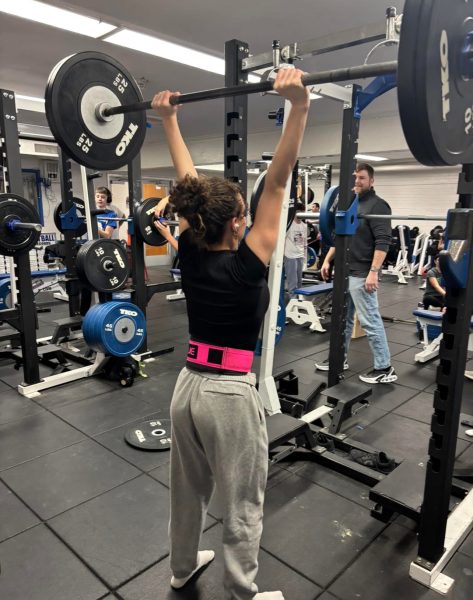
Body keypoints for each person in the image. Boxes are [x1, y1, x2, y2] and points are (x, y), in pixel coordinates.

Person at [151, 68, 309, 600]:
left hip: (187, 389)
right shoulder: (248, 264)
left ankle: (180, 568)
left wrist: (169, 120)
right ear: (239, 223)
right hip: (227, 394)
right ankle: (243, 591)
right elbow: (281, 180)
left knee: (187, 490)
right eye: (243, 211)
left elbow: (188, 182)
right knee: (243, 500)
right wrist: (300, 106)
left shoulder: (192, 252)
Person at [316, 163, 397, 384]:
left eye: (362, 178)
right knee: (342, 320)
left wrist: (373, 272)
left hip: (362, 273)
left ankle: (385, 367)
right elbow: (340, 235)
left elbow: (383, 242)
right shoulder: (350, 203)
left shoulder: (379, 206)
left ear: (372, 181)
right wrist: (326, 260)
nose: (357, 182)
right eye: (355, 178)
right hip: (344, 272)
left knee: (369, 321)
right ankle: (338, 359)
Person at [284, 200, 307, 297]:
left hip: (300, 255)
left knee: (299, 282)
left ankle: (299, 301)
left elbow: (305, 242)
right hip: (290, 256)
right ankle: (292, 304)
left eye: (302, 212)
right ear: (295, 212)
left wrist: (305, 257)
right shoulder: (288, 225)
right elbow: (282, 240)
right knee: (292, 282)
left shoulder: (304, 226)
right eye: (299, 212)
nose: (300, 214)